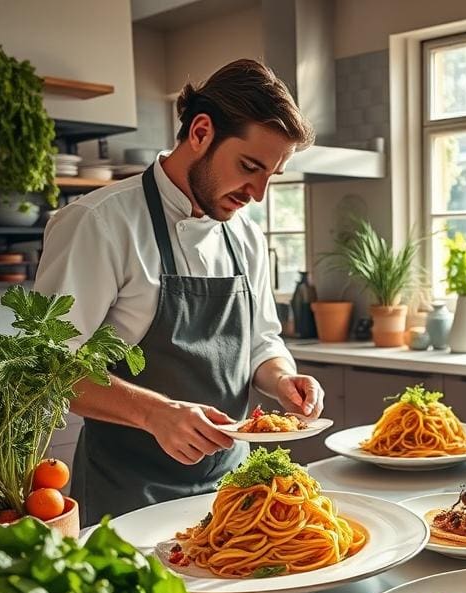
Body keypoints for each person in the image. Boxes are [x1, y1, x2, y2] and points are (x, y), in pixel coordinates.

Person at [36, 59, 324, 523]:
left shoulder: (245, 235)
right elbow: (46, 369)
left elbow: (261, 341)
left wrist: (280, 379)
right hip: (127, 492)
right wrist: (156, 413)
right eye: (250, 167)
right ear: (201, 132)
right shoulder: (98, 223)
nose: (258, 193)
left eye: (272, 175)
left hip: (234, 490)